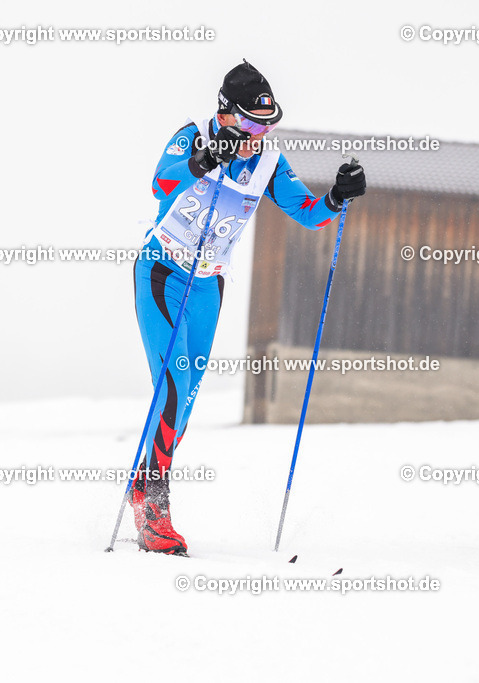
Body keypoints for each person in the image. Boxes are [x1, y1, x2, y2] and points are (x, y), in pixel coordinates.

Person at [131, 60, 367, 555]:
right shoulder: (192, 136)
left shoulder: (268, 162)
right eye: (254, 124)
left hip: (207, 286)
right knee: (172, 384)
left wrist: (338, 198)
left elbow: (309, 215)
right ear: (226, 113)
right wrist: (202, 161)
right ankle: (153, 507)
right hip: (162, 271)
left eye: (270, 124)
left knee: (186, 397)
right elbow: (160, 184)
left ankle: (142, 481)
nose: (261, 134)